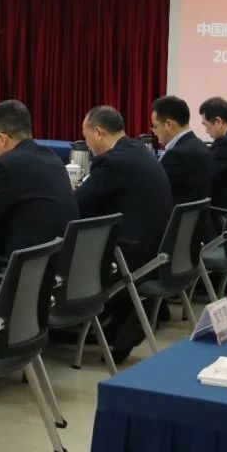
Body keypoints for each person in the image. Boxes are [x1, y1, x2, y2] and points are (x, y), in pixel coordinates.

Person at [76, 106, 172, 362]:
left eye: (86, 136)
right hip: (154, 248)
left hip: (130, 253)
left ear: (98, 132)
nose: (87, 143)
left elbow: (79, 204)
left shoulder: (112, 161)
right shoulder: (137, 150)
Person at [0, 99, 78, 259]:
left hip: (27, 264)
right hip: (60, 260)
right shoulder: (52, 157)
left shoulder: (5, 165)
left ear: (2, 138)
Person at [151, 95, 212, 204]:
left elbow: (154, 190)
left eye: (155, 126)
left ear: (168, 124)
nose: (154, 133)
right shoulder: (200, 145)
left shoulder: (176, 155)